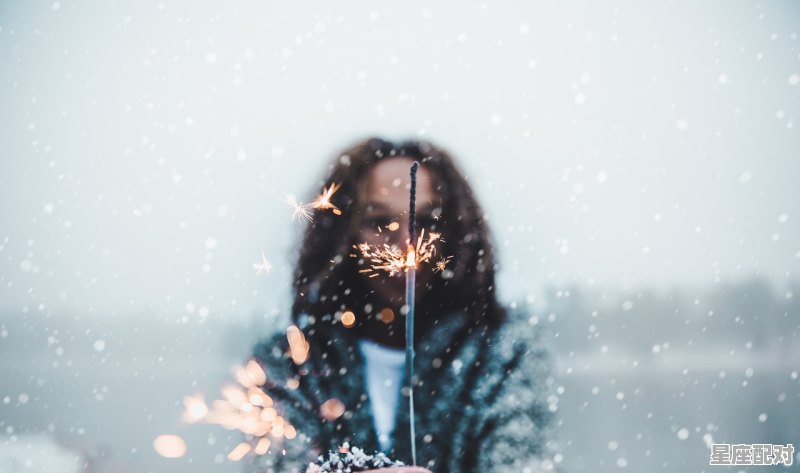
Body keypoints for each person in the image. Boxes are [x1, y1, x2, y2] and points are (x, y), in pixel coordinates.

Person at [250, 138, 559, 473]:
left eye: (426, 222)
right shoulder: (290, 365)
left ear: (455, 232)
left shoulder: (503, 354)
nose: (404, 247)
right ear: (342, 233)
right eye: (380, 223)